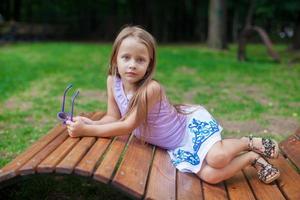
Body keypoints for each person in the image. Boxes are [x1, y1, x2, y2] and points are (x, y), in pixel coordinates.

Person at [66, 25, 280, 184]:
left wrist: (87, 130)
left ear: (149, 65)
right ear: (115, 60)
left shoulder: (151, 89)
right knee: (211, 176)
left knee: (218, 157)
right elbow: (113, 118)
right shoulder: (113, 81)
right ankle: (252, 159)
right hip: (175, 145)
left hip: (189, 127)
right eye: (126, 57)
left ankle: (246, 142)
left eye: (140, 60)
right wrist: (89, 123)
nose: (132, 64)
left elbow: (128, 125)